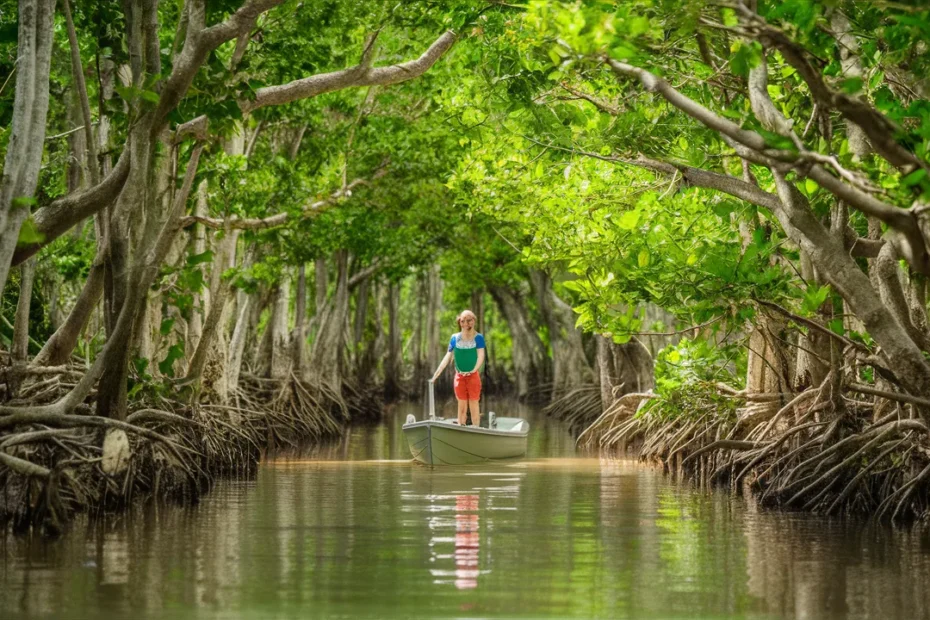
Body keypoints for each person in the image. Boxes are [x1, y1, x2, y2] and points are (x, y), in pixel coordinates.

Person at [432, 310, 486, 427]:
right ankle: (461, 426)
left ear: (474, 321)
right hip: (459, 377)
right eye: (463, 321)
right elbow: (448, 356)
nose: (466, 323)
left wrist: (473, 370)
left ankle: (476, 428)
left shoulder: (479, 338)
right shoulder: (454, 338)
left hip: (473, 376)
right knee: (461, 405)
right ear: (460, 322)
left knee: (473, 404)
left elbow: (481, 356)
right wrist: (436, 374)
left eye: (469, 320)